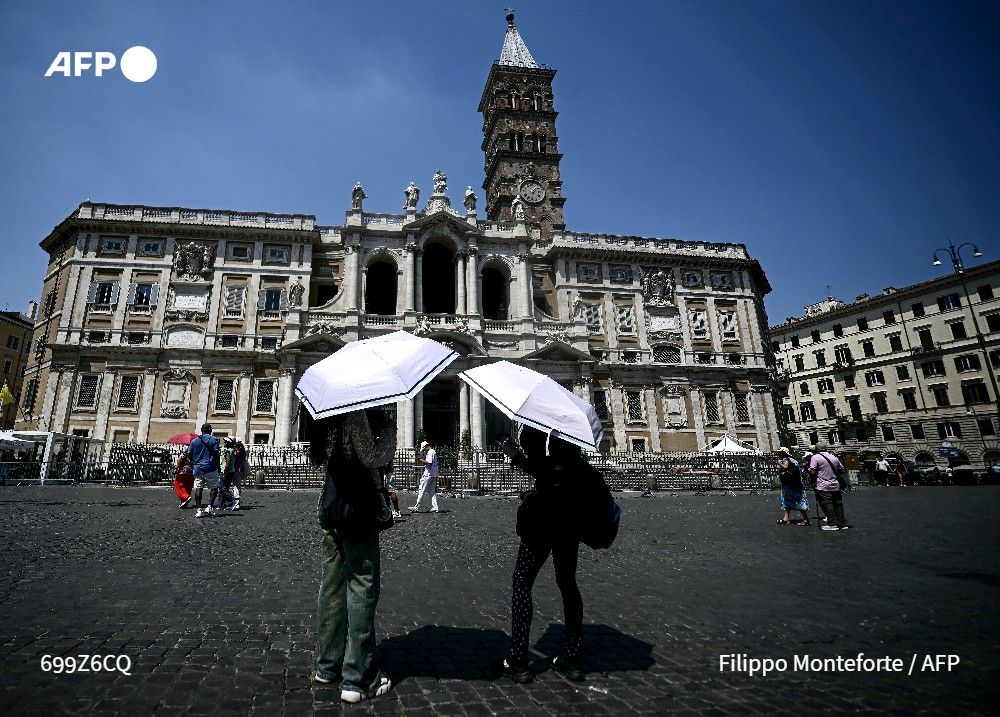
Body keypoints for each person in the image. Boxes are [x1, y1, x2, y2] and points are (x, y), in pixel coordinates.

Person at [311, 409, 396, 704]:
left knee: (332, 584)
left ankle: (327, 665)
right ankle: (358, 677)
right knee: (361, 584)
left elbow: (323, 457)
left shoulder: (324, 413)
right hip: (356, 507)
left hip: (330, 504)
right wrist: (388, 431)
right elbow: (372, 457)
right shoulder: (354, 411)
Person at [499, 427, 594, 684]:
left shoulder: (541, 430)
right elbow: (556, 472)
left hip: (542, 524)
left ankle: (518, 659)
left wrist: (515, 455)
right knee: (568, 585)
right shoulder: (571, 439)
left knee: (522, 583)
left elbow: (543, 468)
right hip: (569, 523)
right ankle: (572, 656)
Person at [178, 423, 221, 518]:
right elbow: (217, 454)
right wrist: (219, 467)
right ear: (210, 430)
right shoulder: (214, 440)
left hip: (198, 468)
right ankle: (209, 507)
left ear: (201, 430)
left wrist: (194, 461)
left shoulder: (194, 441)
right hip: (211, 467)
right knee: (214, 488)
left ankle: (198, 510)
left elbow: (189, 454)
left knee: (198, 488)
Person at [809, 444, 849, 531]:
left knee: (827, 503)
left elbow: (812, 472)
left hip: (823, 484)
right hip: (835, 484)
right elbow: (841, 470)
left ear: (817, 449)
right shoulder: (833, 457)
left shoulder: (815, 457)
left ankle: (832, 523)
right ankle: (842, 523)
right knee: (838, 504)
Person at [775, 447, 809, 526]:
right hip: (796, 483)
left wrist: (779, 463)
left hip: (789, 484)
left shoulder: (785, 459)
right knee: (798, 500)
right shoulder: (794, 460)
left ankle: (804, 519)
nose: (778, 454)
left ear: (784, 453)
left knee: (789, 500)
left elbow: (786, 467)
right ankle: (787, 518)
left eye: (779, 452)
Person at [409, 440, 439, 513]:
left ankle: (417, 506)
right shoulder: (433, 452)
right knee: (432, 491)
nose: (424, 451)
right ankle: (435, 506)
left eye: (423, 449)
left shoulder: (430, 452)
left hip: (428, 474)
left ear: (426, 447)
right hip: (433, 474)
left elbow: (428, 463)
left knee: (421, 489)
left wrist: (421, 460)